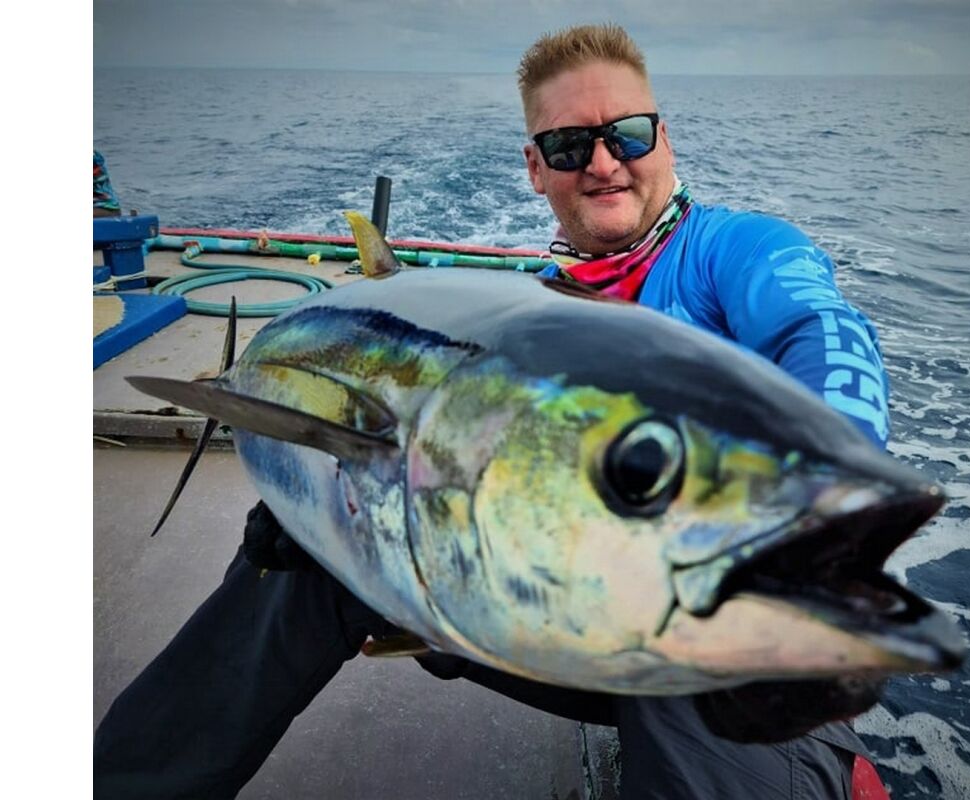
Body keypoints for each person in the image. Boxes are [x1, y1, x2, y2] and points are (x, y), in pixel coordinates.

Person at [94, 24, 893, 799]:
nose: (604, 163)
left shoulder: (740, 251)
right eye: (570, 147)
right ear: (535, 168)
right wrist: (327, 511)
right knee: (302, 563)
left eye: (628, 134)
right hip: (545, 617)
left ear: (665, 139)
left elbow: (822, 333)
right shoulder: (537, 311)